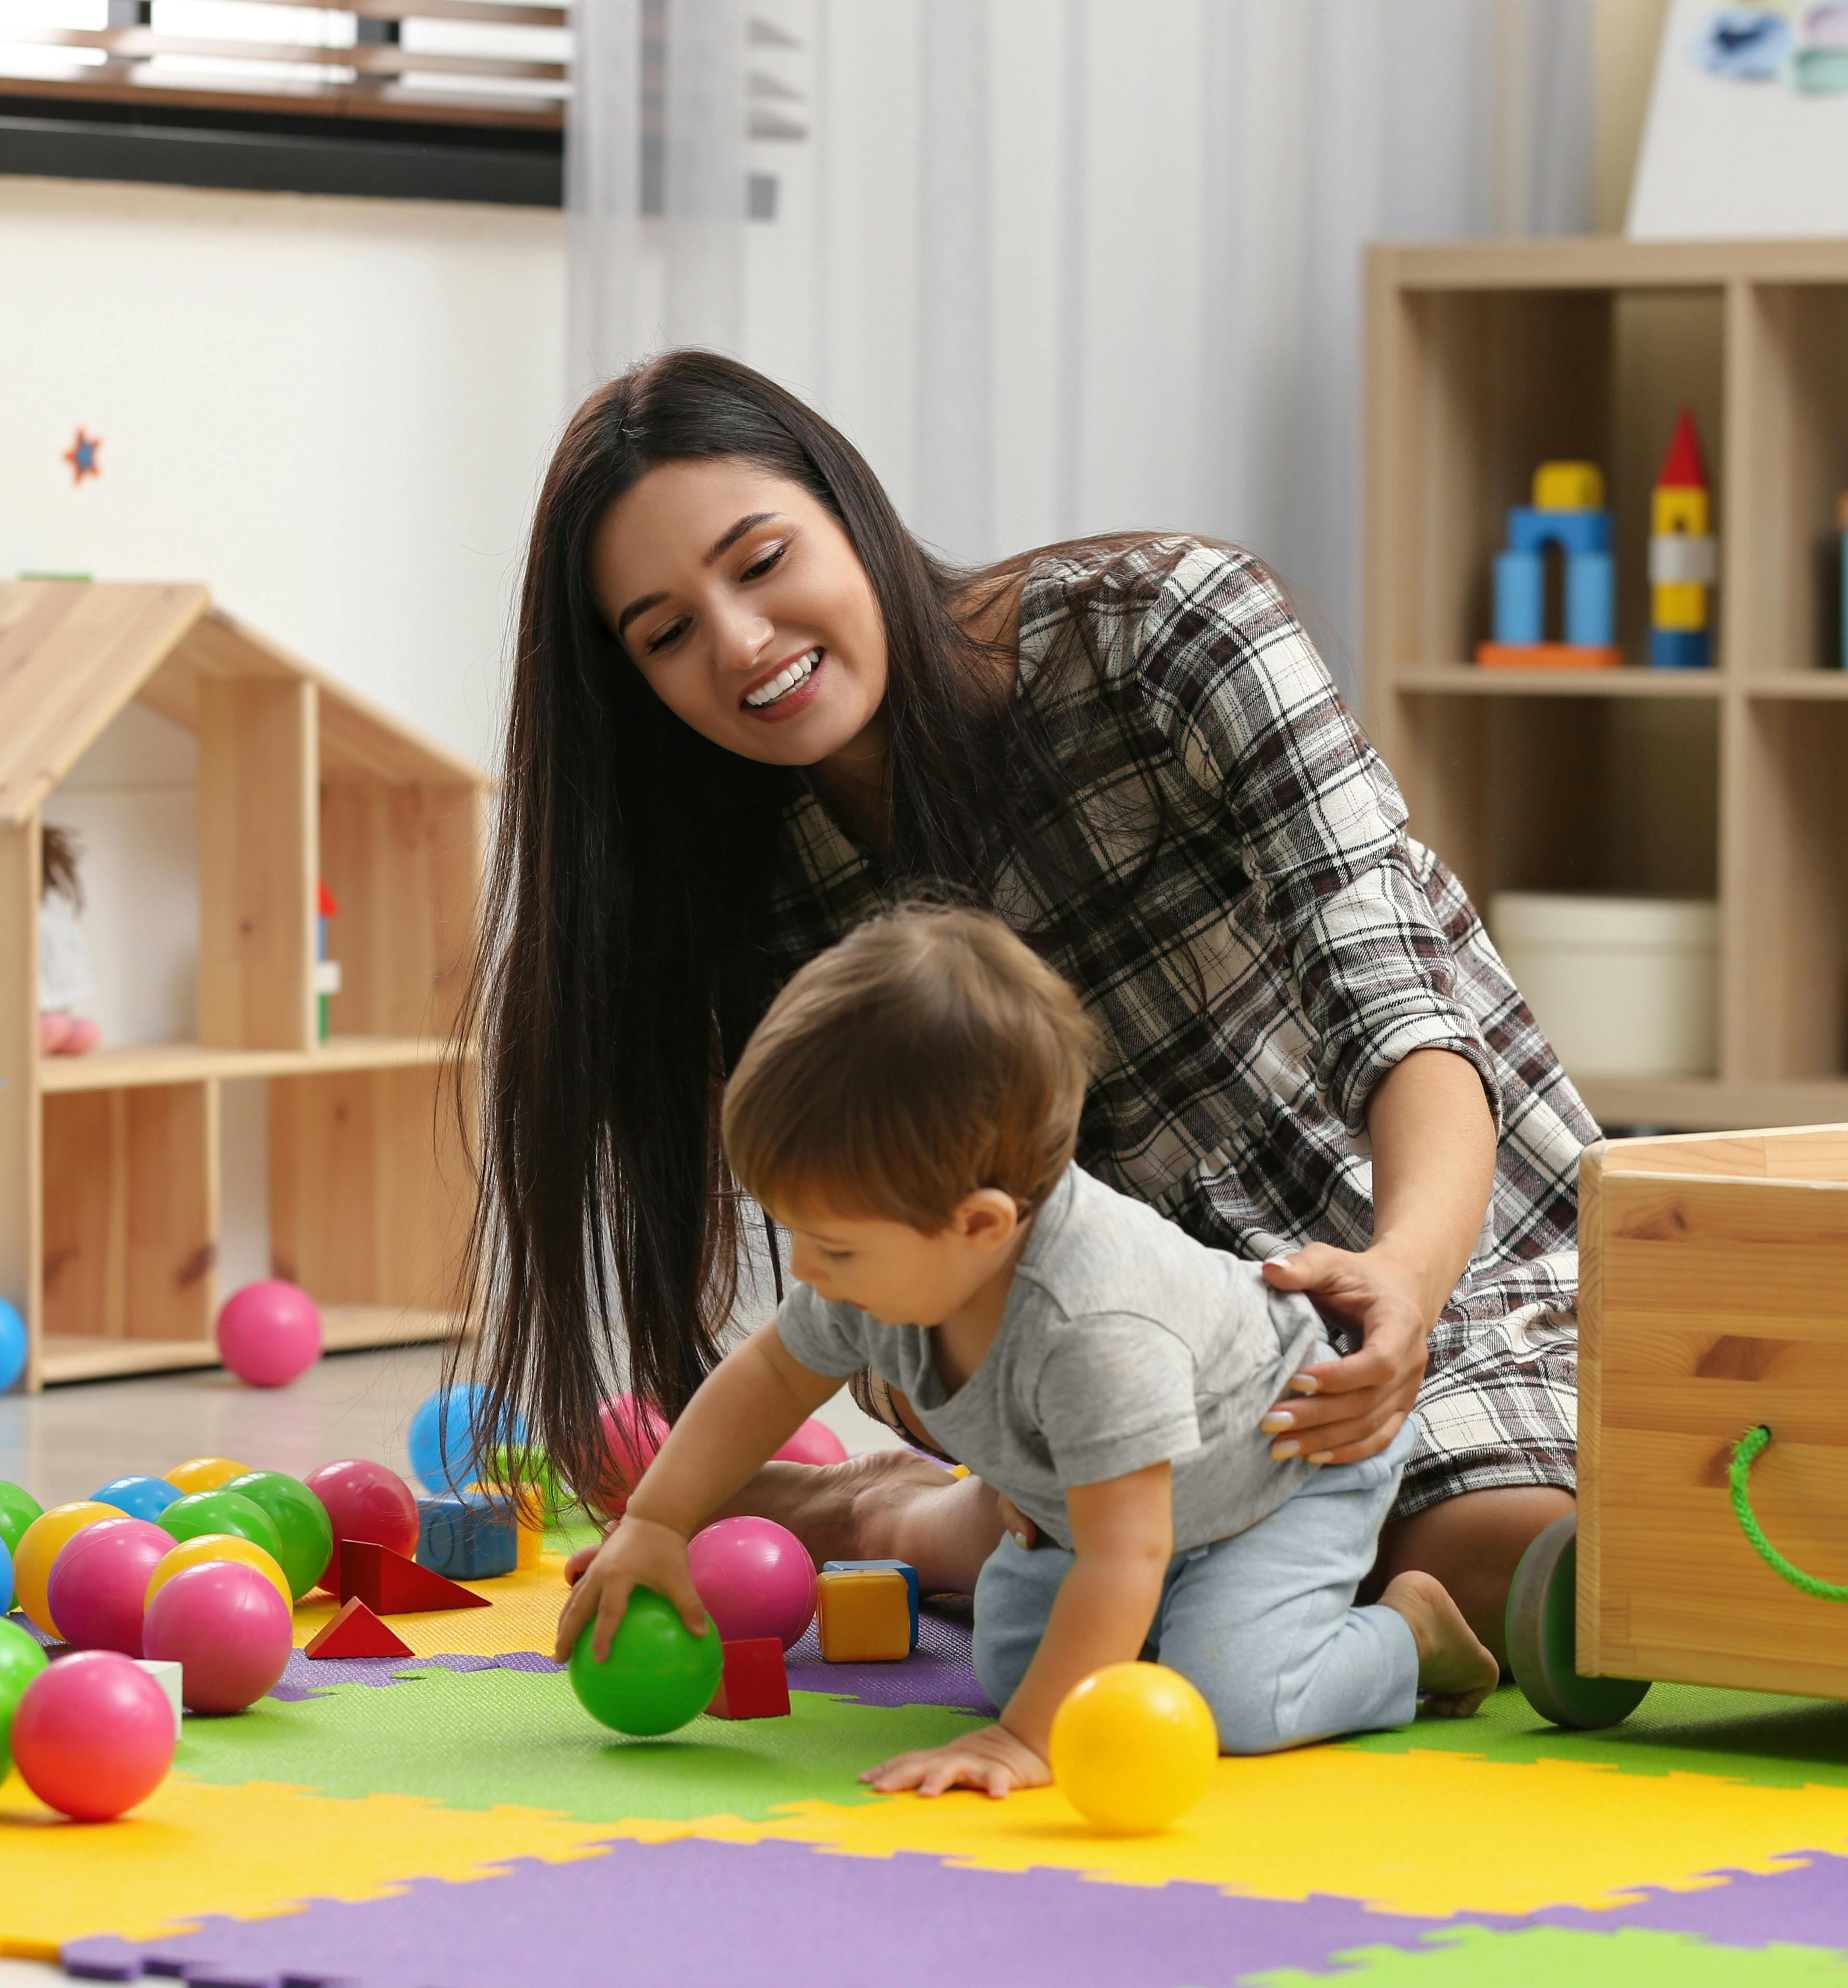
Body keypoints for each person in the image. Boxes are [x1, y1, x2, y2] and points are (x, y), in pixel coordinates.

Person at [467, 348, 1596, 1656]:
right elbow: (864, 1246)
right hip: (1091, 1347)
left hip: (1446, 1246)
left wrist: (1403, 1276)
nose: (742, 645)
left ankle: (899, 1527)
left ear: (852, 510)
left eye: (764, 561)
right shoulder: (729, 867)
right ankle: (916, 1517)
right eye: (666, 634)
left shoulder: (1171, 628)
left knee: (1512, 1547)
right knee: (1186, 1570)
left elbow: (1397, 997)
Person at [556, 906, 1500, 1794]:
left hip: (1283, 1474)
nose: (806, 1267)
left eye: (832, 1246)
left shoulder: (1095, 1330)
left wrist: (1029, 1743)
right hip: (1112, 1502)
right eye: (793, 1231)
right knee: (1016, 1673)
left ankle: (1409, 1637)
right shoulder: (898, 1253)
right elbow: (770, 1374)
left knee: (1230, 1700)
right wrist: (657, 1522)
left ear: (979, 1226)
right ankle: (1179, 1628)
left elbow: (1127, 1551)